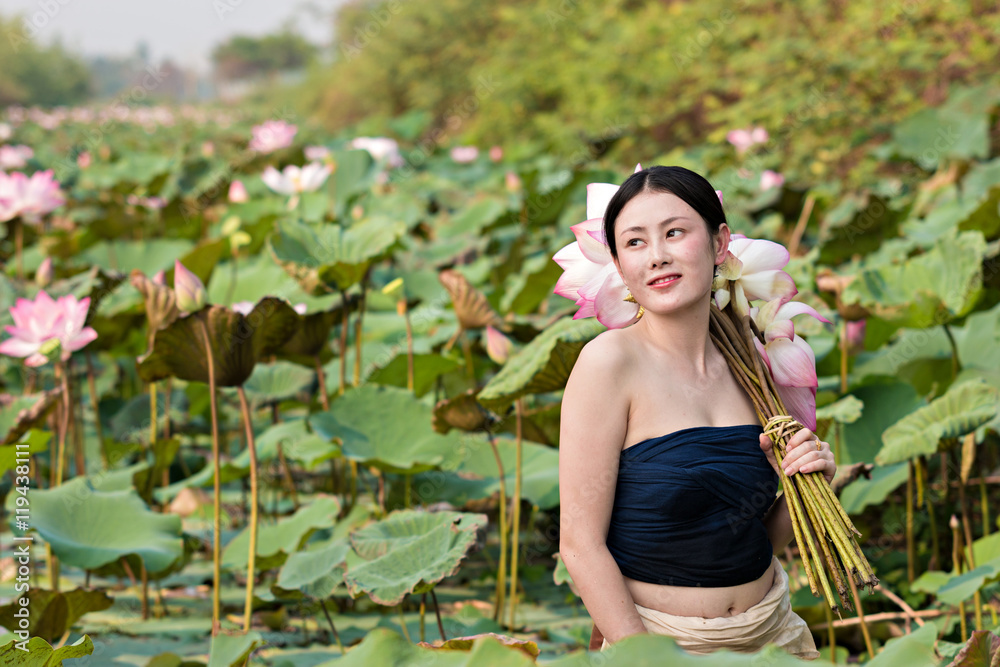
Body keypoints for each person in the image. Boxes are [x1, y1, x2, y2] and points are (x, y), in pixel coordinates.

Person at [558, 166, 833, 659]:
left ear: (720, 243)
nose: (658, 256)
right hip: (662, 644)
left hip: (774, 635)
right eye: (635, 243)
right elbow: (579, 545)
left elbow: (752, 536)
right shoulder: (608, 364)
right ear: (619, 265)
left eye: (675, 232)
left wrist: (807, 481)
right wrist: (643, 656)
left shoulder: (755, 365)